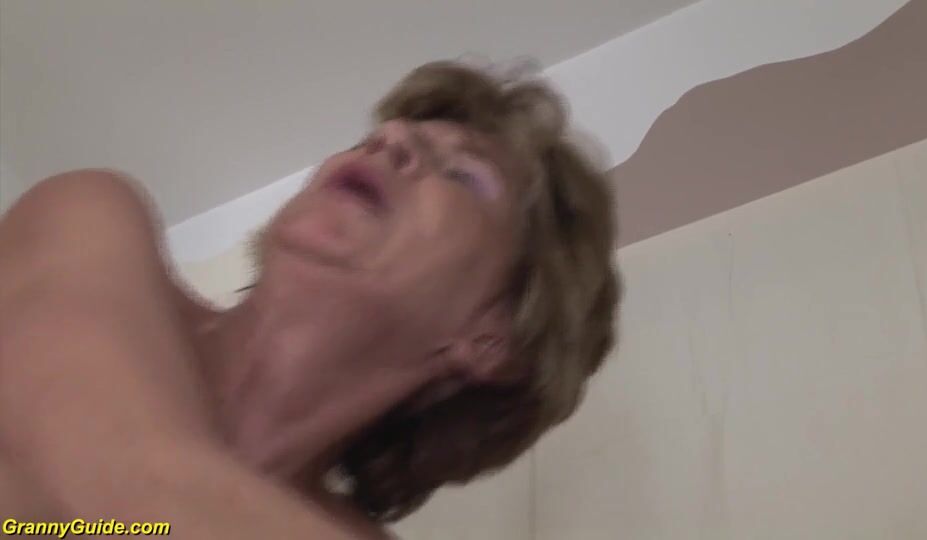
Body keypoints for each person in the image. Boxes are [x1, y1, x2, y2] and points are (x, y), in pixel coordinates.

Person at [0, 60, 620, 538]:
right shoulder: (90, 221)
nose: (390, 138)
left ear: (493, 336)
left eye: (462, 174)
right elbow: (127, 486)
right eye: (379, 134)